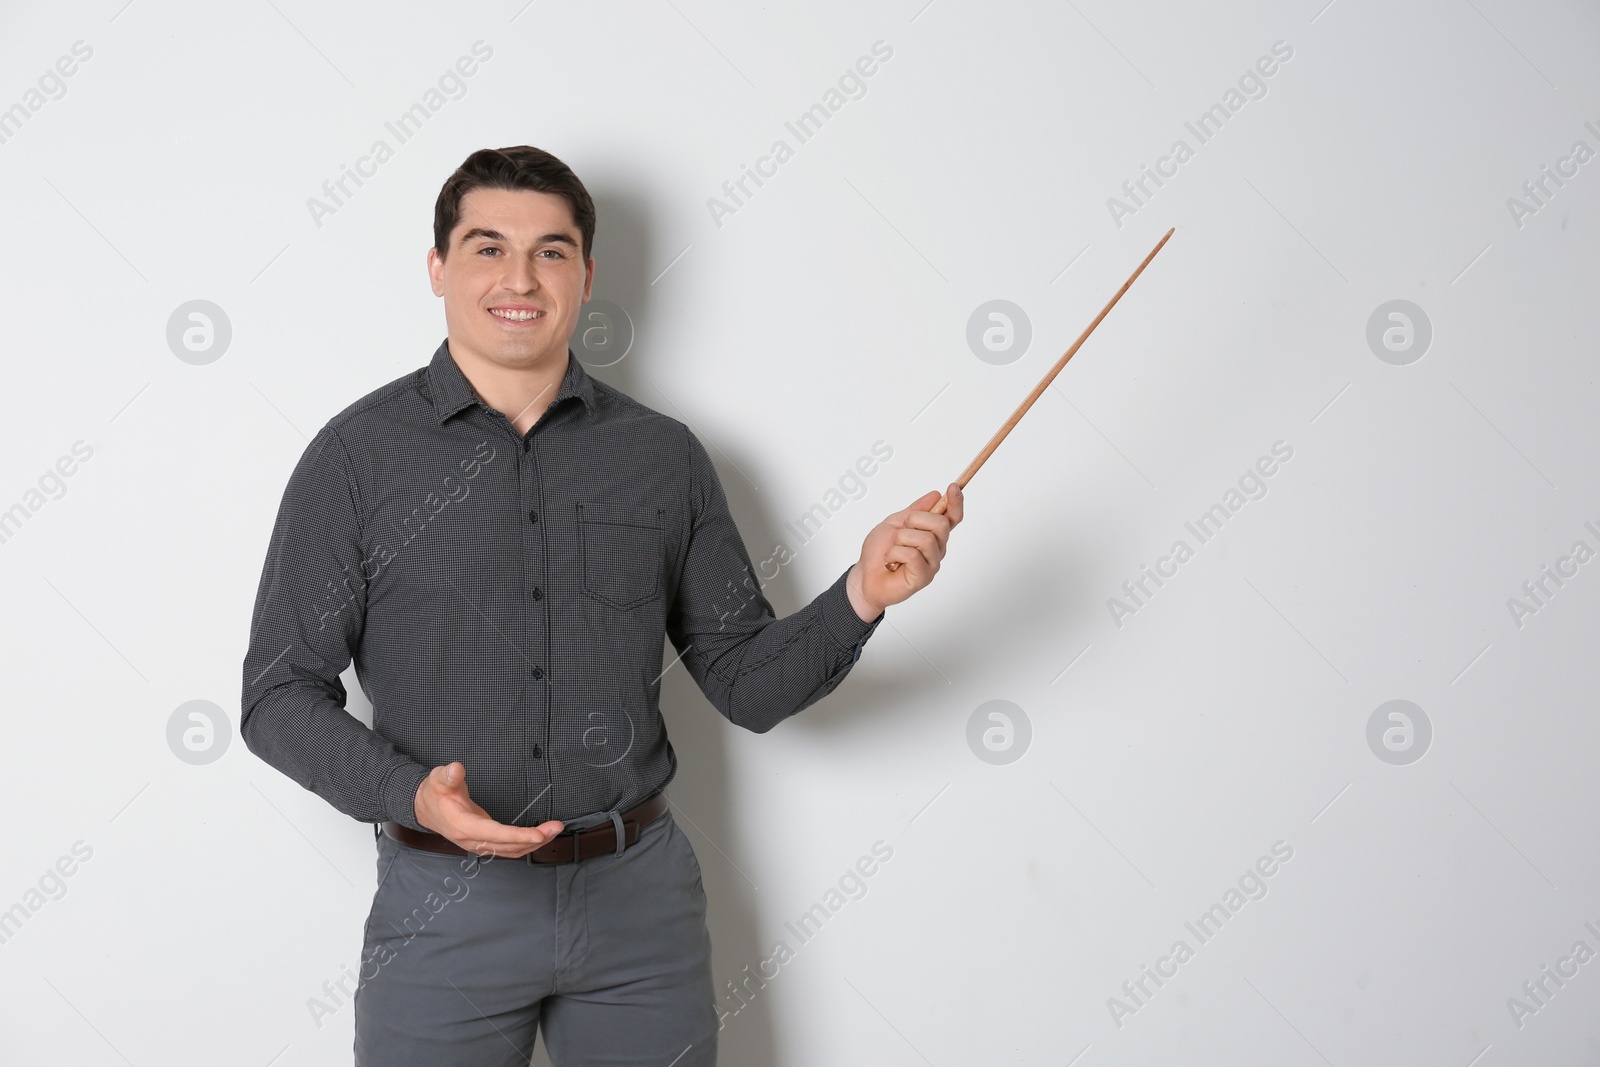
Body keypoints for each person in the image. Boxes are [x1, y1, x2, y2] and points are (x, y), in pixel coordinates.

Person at [240, 144, 963, 1067]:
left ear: (586, 274)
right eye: (487, 247)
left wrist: (864, 594)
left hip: (639, 912)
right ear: (438, 268)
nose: (519, 277)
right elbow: (277, 694)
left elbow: (746, 683)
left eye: (550, 250)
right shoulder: (354, 459)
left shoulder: (663, 457)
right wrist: (406, 792)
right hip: (443, 907)